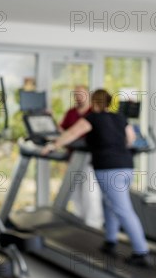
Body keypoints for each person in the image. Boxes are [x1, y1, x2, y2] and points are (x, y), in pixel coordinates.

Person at [42, 89, 150, 266]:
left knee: (122, 209)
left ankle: (141, 252)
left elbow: (71, 134)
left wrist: (53, 145)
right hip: (127, 165)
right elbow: (130, 139)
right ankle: (110, 240)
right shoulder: (120, 117)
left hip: (109, 168)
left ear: (94, 102)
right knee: (108, 203)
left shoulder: (92, 118)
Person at [58, 85, 103, 229]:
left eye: (81, 94)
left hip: (89, 159)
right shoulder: (71, 112)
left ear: (88, 95)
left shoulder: (93, 112)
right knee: (74, 193)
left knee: (90, 192)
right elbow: (63, 131)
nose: (78, 97)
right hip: (73, 158)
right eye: (76, 94)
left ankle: (94, 224)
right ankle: (80, 222)